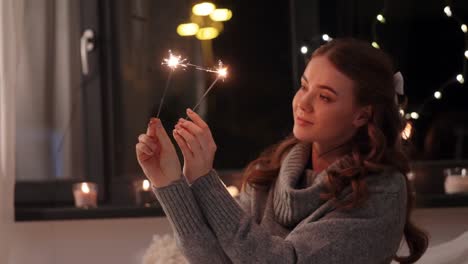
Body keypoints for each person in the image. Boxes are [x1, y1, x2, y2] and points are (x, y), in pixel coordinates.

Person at [136, 38, 428, 263]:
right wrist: (169, 183)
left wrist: (205, 181)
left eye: (325, 97)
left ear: (362, 115)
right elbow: (220, 260)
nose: (304, 102)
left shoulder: (380, 192)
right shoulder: (273, 172)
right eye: (304, 86)